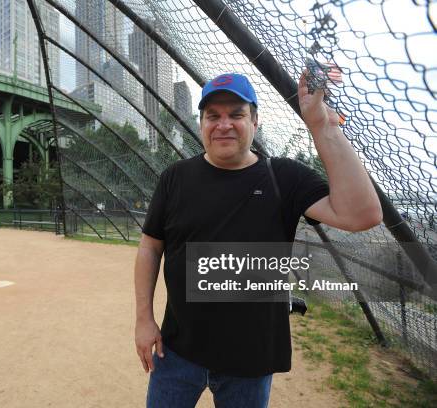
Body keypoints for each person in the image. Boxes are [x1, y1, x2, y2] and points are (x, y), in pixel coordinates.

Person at [134, 72, 382, 407]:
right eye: (213, 116)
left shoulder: (284, 177)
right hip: (177, 351)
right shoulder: (175, 178)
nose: (224, 124)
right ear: (202, 123)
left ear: (254, 120)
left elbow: (362, 215)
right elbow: (151, 246)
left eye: (236, 114)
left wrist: (324, 127)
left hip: (250, 362)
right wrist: (144, 319)